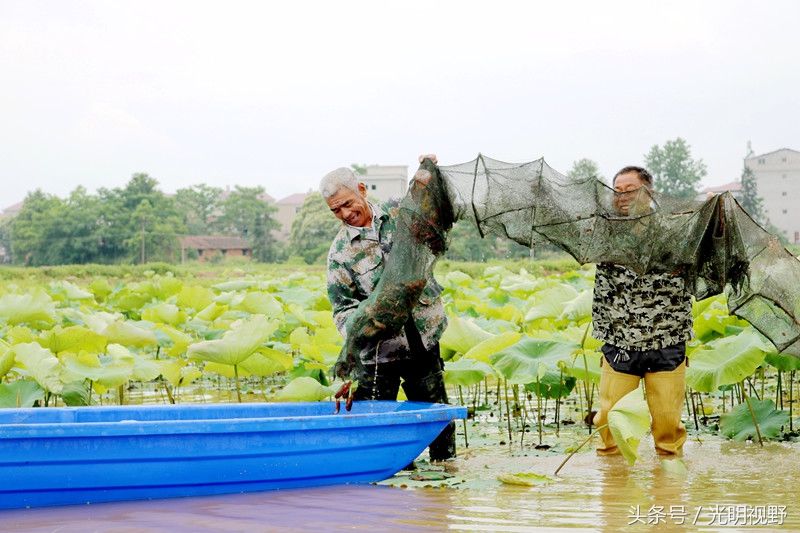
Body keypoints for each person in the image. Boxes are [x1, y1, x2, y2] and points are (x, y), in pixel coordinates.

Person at [321, 165, 456, 461]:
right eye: (335, 211)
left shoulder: (400, 213)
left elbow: (435, 213)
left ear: (361, 190)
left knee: (439, 424)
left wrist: (429, 176)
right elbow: (342, 309)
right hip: (377, 354)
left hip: (423, 338)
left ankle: (445, 484)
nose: (344, 214)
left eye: (347, 204)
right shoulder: (340, 254)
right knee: (375, 432)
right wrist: (367, 325)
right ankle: (387, 485)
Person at [592, 166, 692, 457]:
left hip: (666, 339)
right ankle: (612, 486)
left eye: (630, 190)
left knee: (668, 426)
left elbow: (708, 249)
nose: (622, 196)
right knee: (610, 422)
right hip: (619, 339)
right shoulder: (603, 232)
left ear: (649, 193)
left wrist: (718, 219)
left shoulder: (675, 230)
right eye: (617, 191)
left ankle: (670, 487)